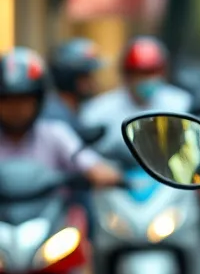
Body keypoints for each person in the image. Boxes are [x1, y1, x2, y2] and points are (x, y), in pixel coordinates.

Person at [0, 48, 121, 187]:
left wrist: (101, 173)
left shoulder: (54, 135)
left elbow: (92, 165)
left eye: (24, 100)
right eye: (7, 100)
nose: (16, 109)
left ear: (38, 100)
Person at [79, 35, 192, 150]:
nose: (147, 79)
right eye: (140, 73)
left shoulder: (180, 104)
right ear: (127, 75)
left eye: (152, 72)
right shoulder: (98, 111)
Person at [44, 37, 105, 126]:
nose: (92, 82)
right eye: (85, 76)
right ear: (67, 77)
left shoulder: (77, 108)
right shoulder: (53, 115)